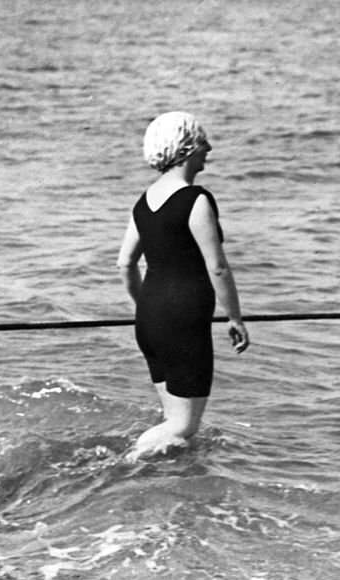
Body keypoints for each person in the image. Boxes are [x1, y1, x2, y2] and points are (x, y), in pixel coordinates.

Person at [116, 111, 250, 461]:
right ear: (187, 147)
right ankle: (120, 465)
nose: (209, 147)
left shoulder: (143, 202)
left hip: (149, 318)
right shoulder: (196, 199)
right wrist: (234, 318)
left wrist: (145, 305)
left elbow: (125, 263)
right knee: (183, 426)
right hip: (184, 322)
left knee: (174, 420)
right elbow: (217, 267)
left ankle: (176, 493)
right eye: (203, 141)